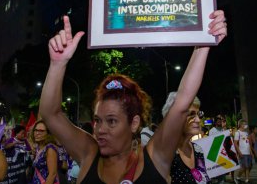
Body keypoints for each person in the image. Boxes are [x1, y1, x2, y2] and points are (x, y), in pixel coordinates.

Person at [39, 11, 227, 183]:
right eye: (97, 120)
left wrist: (203, 45)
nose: (100, 130)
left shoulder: (156, 157)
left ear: (134, 123)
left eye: (111, 121)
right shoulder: (88, 153)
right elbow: (50, 114)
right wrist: (57, 65)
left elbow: (182, 102)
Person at [162, 94, 211, 183]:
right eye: (191, 114)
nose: (198, 120)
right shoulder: (164, 154)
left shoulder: (198, 149)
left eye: (198, 114)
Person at [31, 119, 59, 184]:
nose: (37, 133)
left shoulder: (50, 148)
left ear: (48, 133)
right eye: (36, 130)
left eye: (41, 131)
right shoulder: (39, 147)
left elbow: (52, 174)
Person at [234, 119, 252, 183]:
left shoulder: (246, 133)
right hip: (242, 152)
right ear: (241, 125)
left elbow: (248, 143)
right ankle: (237, 177)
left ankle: (247, 179)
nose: (246, 125)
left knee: (248, 167)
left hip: (248, 152)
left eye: (246, 124)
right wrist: (239, 152)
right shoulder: (237, 133)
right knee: (243, 167)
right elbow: (235, 144)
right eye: (244, 124)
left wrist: (250, 151)